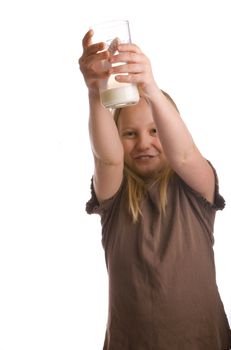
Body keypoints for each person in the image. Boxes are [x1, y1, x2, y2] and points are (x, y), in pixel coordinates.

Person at [79, 28, 231, 350]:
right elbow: (107, 160)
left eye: (154, 130)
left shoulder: (195, 189)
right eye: (130, 134)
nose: (144, 142)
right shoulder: (114, 198)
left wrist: (150, 87)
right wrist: (96, 94)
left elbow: (185, 154)